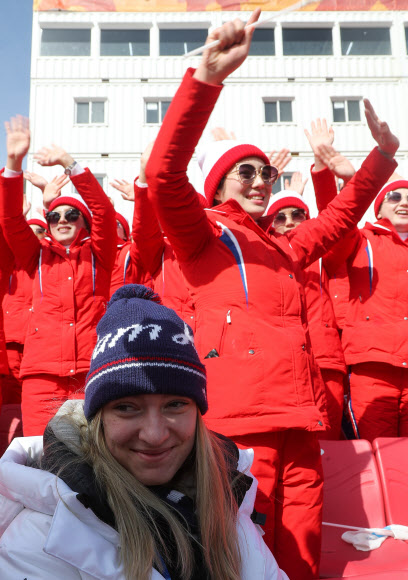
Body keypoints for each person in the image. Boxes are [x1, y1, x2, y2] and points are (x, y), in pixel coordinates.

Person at [145, 10, 399, 579]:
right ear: (218, 186)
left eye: (267, 173)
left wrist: (381, 159)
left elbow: (336, 222)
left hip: (300, 420)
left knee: (302, 551)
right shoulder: (203, 235)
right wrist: (206, 81)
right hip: (239, 422)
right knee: (237, 551)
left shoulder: (282, 247)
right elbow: (164, 175)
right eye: (247, 173)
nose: (262, 181)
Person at [0, 284, 287, 580]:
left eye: (175, 405)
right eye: (126, 407)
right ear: (97, 417)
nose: (154, 435)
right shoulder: (43, 539)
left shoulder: (229, 504)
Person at [0, 116, 117, 436]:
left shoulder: (99, 255)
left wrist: (69, 163)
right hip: (41, 377)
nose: (61, 219)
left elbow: (104, 211)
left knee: (96, 459)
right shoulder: (34, 255)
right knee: (43, 457)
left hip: (92, 373)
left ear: (84, 222)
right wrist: (13, 163)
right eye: (54, 215)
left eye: (71, 214)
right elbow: (10, 218)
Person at [312, 151, 408, 441]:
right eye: (395, 197)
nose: (404, 203)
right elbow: (335, 221)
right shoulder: (361, 240)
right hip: (372, 366)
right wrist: (336, 177)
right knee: (378, 453)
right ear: (379, 208)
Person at [267, 186, 346, 440]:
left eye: (297, 214)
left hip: (325, 361)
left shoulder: (325, 256)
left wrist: (325, 172)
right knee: (294, 439)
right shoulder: (261, 256)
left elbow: (338, 222)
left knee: (330, 440)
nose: (289, 222)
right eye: (280, 216)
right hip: (281, 362)